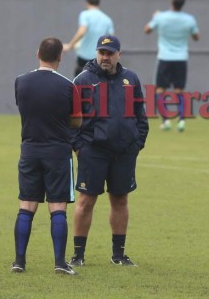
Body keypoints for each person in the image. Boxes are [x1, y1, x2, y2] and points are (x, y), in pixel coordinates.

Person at [69, 35, 149, 267]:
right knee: (86, 201)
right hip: (93, 151)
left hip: (124, 151)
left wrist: (137, 142)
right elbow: (71, 119)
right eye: (102, 52)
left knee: (120, 200)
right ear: (96, 53)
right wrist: (79, 147)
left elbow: (140, 114)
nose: (105, 57)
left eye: (110, 53)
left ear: (118, 55)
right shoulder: (82, 80)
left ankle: (118, 255)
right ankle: (77, 255)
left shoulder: (130, 79)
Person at [12, 37, 82, 275]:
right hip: (57, 152)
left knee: (26, 206)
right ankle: (60, 263)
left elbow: (24, 109)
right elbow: (77, 120)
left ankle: (19, 262)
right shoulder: (68, 86)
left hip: (30, 150)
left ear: (37, 53)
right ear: (60, 57)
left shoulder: (20, 82)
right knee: (58, 208)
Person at [144, 0, 199, 132]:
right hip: (181, 58)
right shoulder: (189, 19)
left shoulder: (161, 17)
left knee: (160, 90)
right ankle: (181, 121)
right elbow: (196, 37)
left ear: (171, 2)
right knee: (179, 91)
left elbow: (147, 30)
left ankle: (166, 120)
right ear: (183, 4)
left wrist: (155, 17)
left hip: (165, 58)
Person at [63, 0, 115, 77]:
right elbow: (111, 39)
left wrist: (70, 45)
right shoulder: (107, 19)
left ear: (87, 3)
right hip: (99, 58)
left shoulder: (85, 15)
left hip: (83, 56)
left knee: (79, 84)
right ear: (98, 4)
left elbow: (82, 31)